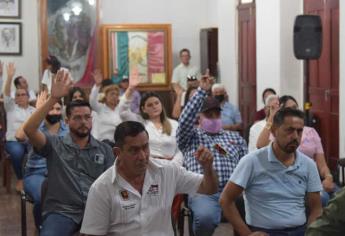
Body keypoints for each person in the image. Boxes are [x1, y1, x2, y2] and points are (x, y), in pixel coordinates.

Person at [80, 121, 218, 236]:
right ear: (118, 153)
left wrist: (207, 167)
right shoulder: (101, 188)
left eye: (145, 147)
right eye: (134, 150)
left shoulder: (168, 171)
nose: (142, 156)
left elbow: (209, 188)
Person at [23, 69, 115, 236]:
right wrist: (54, 99)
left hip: (96, 211)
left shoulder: (104, 149)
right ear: (67, 121)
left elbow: (113, 185)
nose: (83, 122)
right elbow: (29, 130)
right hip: (62, 211)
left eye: (87, 117)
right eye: (77, 118)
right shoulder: (54, 144)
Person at [220, 108, 322, 236]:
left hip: (299, 231)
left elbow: (316, 208)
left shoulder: (308, 164)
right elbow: (225, 200)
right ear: (274, 131)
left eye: (299, 131)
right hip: (264, 232)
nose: (295, 136)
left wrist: (311, 233)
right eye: (289, 130)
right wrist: (247, 234)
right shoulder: (252, 161)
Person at [176, 74, 248, 236]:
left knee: (255, 210)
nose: (214, 118)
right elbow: (184, 120)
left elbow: (247, 165)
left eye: (217, 114)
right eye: (209, 115)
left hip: (234, 191)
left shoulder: (234, 137)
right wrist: (202, 90)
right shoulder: (190, 137)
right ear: (199, 118)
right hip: (204, 192)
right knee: (205, 218)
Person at [256, 95, 338, 206]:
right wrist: (272, 117)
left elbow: (322, 165)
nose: (295, 111)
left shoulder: (311, 132)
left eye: (296, 107)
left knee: (339, 196)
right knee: (322, 199)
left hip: (313, 179)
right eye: (290, 109)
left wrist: (328, 178)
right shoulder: (280, 133)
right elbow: (260, 145)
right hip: (289, 181)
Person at [16, 92, 68, 230]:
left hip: (61, 174)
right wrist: (37, 112)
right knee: (42, 196)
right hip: (36, 173)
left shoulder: (67, 130)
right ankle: (42, 229)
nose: (55, 112)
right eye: (51, 108)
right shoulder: (35, 126)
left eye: (58, 109)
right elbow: (19, 136)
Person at [119, 70, 183, 165]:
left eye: (157, 103)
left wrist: (173, 165)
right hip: (149, 167)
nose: (154, 106)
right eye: (150, 105)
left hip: (173, 168)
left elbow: (180, 149)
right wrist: (131, 88)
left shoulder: (174, 124)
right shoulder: (140, 123)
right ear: (144, 109)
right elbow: (123, 112)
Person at [3, 62, 36, 192]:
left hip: (30, 141)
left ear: (28, 97)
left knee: (41, 150)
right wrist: (9, 77)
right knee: (18, 153)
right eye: (18, 95)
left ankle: (35, 179)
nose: (21, 97)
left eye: (24, 95)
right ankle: (21, 179)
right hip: (13, 141)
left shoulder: (34, 111)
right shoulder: (11, 108)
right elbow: (6, 95)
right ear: (15, 99)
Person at [89, 69, 123, 142]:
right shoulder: (100, 108)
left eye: (116, 94)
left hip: (117, 144)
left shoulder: (120, 109)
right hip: (101, 143)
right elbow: (92, 100)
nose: (114, 96)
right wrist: (97, 85)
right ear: (106, 96)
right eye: (112, 94)